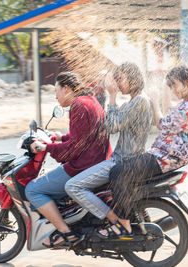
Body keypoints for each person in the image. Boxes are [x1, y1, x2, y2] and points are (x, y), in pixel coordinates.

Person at [96, 65, 188, 238]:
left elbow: (162, 124)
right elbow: (166, 119)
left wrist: (155, 101)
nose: (172, 89)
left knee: (117, 172)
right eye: (169, 86)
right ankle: (142, 219)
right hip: (165, 155)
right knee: (129, 177)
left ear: (187, 81)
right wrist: (158, 99)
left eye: (174, 85)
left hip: (165, 158)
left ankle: (123, 223)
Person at [25, 71, 111, 248]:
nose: (56, 96)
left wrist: (46, 147)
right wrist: (60, 137)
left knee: (33, 189)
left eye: (56, 91)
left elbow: (74, 148)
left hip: (84, 165)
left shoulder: (77, 106)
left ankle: (65, 233)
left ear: (66, 88)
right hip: (97, 159)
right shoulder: (89, 99)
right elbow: (83, 137)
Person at [65, 62, 153, 235]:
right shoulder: (135, 101)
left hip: (122, 161)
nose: (118, 84)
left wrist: (111, 96)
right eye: (117, 79)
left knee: (72, 187)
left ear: (133, 78)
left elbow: (112, 126)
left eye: (121, 79)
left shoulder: (139, 101)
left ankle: (115, 219)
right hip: (122, 158)